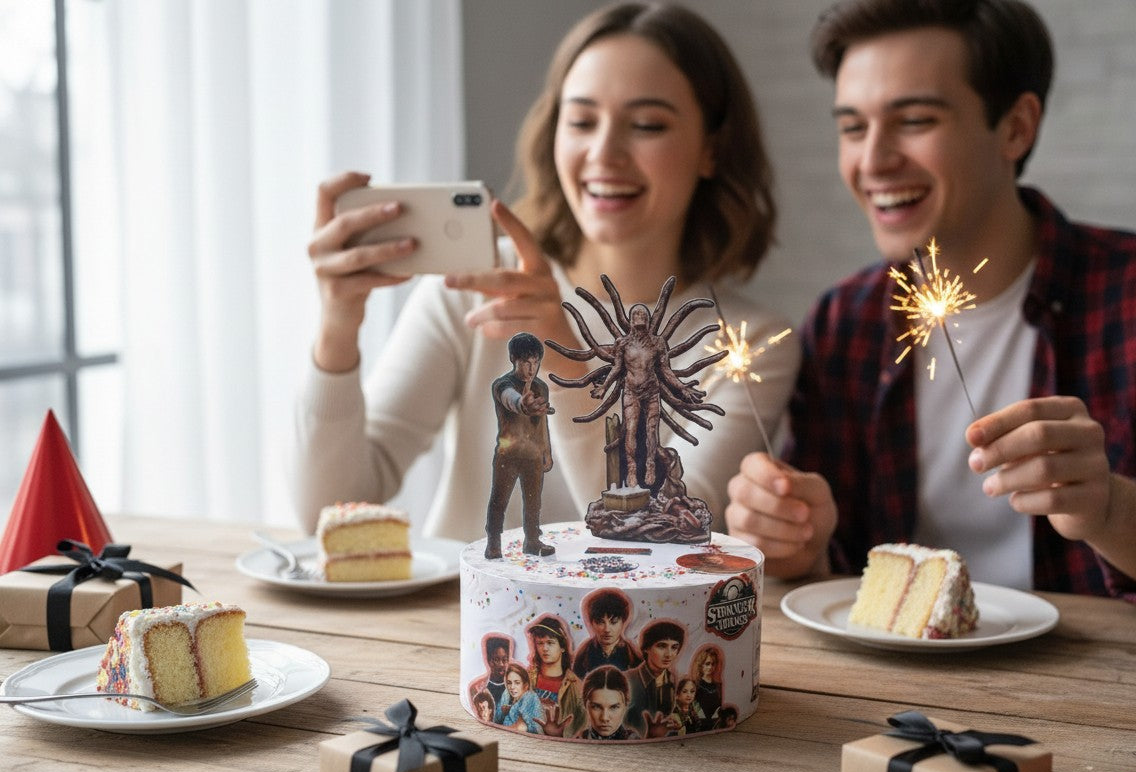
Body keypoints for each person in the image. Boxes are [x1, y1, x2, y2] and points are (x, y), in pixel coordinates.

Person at [725, 0, 1136, 614]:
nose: (872, 161)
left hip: (1108, 697)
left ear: (1016, 127)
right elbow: (830, 578)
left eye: (914, 120)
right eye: (851, 127)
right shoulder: (846, 322)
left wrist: (1110, 508)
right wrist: (793, 544)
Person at [291, 2, 799, 545]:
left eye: (647, 125)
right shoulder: (476, 293)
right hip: (460, 625)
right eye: (580, 121)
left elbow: (658, 542)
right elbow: (328, 507)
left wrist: (562, 351)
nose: (603, 153)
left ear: (711, 151)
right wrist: (338, 326)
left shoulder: (751, 346)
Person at [486, 333, 555, 557]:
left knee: (534, 503)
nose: (531, 368)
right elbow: (510, 398)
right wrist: (523, 404)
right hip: (508, 454)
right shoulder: (502, 385)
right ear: (513, 359)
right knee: (499, 501)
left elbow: (543, 422)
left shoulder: (541, 388)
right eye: (526, 362)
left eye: (536, 362)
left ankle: (532, 541)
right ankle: (494, 543)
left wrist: (547, 452)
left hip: (533, 456)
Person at [526, 615, 586, 737]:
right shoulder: (526, 678)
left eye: (550, 643)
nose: (545, 648)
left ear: (562, 647)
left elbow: (582, 726)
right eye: (540, 643)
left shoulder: (575, 686)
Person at [624, 619, 684, 737]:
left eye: (674, 647)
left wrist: (677, 721)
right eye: (662, 646)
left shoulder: (673, 679)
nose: (669, 654)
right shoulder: (626, 679)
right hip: (632, 747)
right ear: (646, 648)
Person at [572, 588, 642, 677]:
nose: (607, 629)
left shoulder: (632, 654)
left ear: (623, 622)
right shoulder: (584, 653)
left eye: (614, 622)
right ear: (592, 623)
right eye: (600, 622)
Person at [578, 665, 640, 740]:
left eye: (614, 707)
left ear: (625, 706)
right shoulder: (577, 741)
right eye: (596, 707)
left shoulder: (634, 741)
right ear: (585, 705)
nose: (605, 718)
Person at [495, 662, 543, 733]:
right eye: (509, 683)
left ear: (525, 685)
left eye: (517, 683)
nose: (512, 687)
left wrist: (497, 732)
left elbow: (521, 727)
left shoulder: (529, 696)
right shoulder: (510, 697)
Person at [689, 644, 723, 725]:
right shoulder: (695, 685)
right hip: (700, 724)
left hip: (716, 723)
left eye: (713, 664)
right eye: (707, 664)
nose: (710, 667)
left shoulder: (719, 686)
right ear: (701, 665)